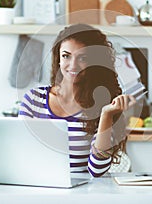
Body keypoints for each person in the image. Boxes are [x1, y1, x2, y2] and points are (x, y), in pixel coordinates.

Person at [19, 23, 136, 177]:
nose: (73, 65)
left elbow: (97, 170)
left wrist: (106, 115)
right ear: (58, 58)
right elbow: (19, 154)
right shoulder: (33, 100)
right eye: (66, 56)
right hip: (38, 187)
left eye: (83, 58)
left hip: (82, 195)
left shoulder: (103, 105)